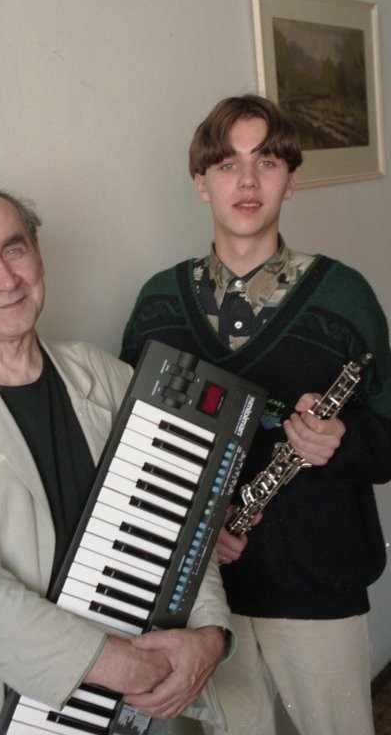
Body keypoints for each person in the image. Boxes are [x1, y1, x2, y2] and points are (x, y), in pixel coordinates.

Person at [120, 94, 391, 735]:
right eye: (228, 165)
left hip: (318, 589)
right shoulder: (158, 304)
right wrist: (193, 528)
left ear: (290, 181)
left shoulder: (345, 296)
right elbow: (131, 455)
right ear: (201, 182)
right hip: (205, 597)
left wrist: (344, 440)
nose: (247, 181)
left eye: (266, 162)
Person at [0, 187, 235, 735]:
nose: (6, 278)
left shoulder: (105, 374)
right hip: (2, 702)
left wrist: (210, 634)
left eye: (14, 249)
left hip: (141, 697)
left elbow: (181, 516)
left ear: (38, 256)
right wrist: (118, 665)